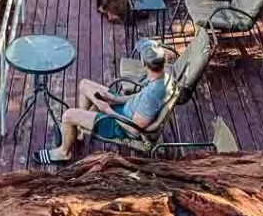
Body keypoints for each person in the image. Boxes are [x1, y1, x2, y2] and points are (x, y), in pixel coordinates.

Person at [33, 41, 169, 165]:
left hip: (118, 125)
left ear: (143, 63)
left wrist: (107, 110)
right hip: (122, 109)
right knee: (84, 84)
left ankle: (64, 152)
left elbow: (134, 130)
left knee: (68, 116)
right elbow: (139, 97)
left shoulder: (152, 95)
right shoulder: (161, 77)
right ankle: (78, 131)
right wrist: (115, 99)